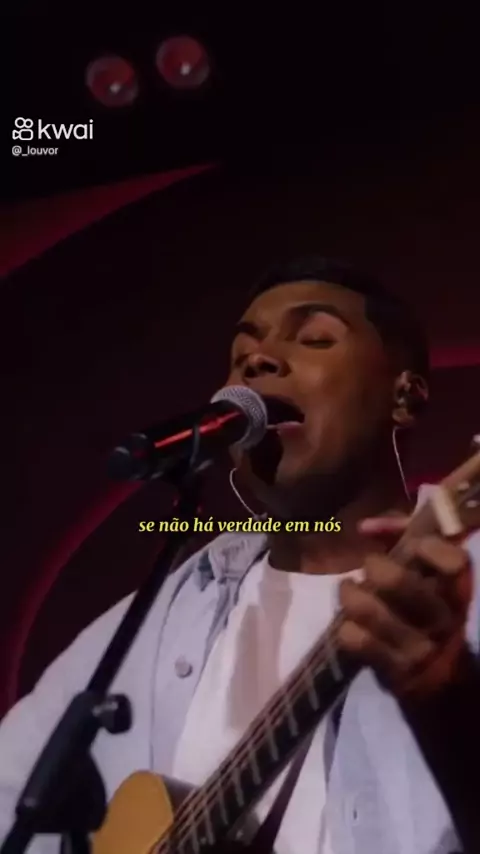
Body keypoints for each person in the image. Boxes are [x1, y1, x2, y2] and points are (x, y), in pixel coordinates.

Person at [1, 256, 479, 854]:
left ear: (404, 396)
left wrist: (448, 697)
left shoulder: (463, 582)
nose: (259, 361)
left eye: (315, 338)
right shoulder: (173, 606)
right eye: (241, 354)